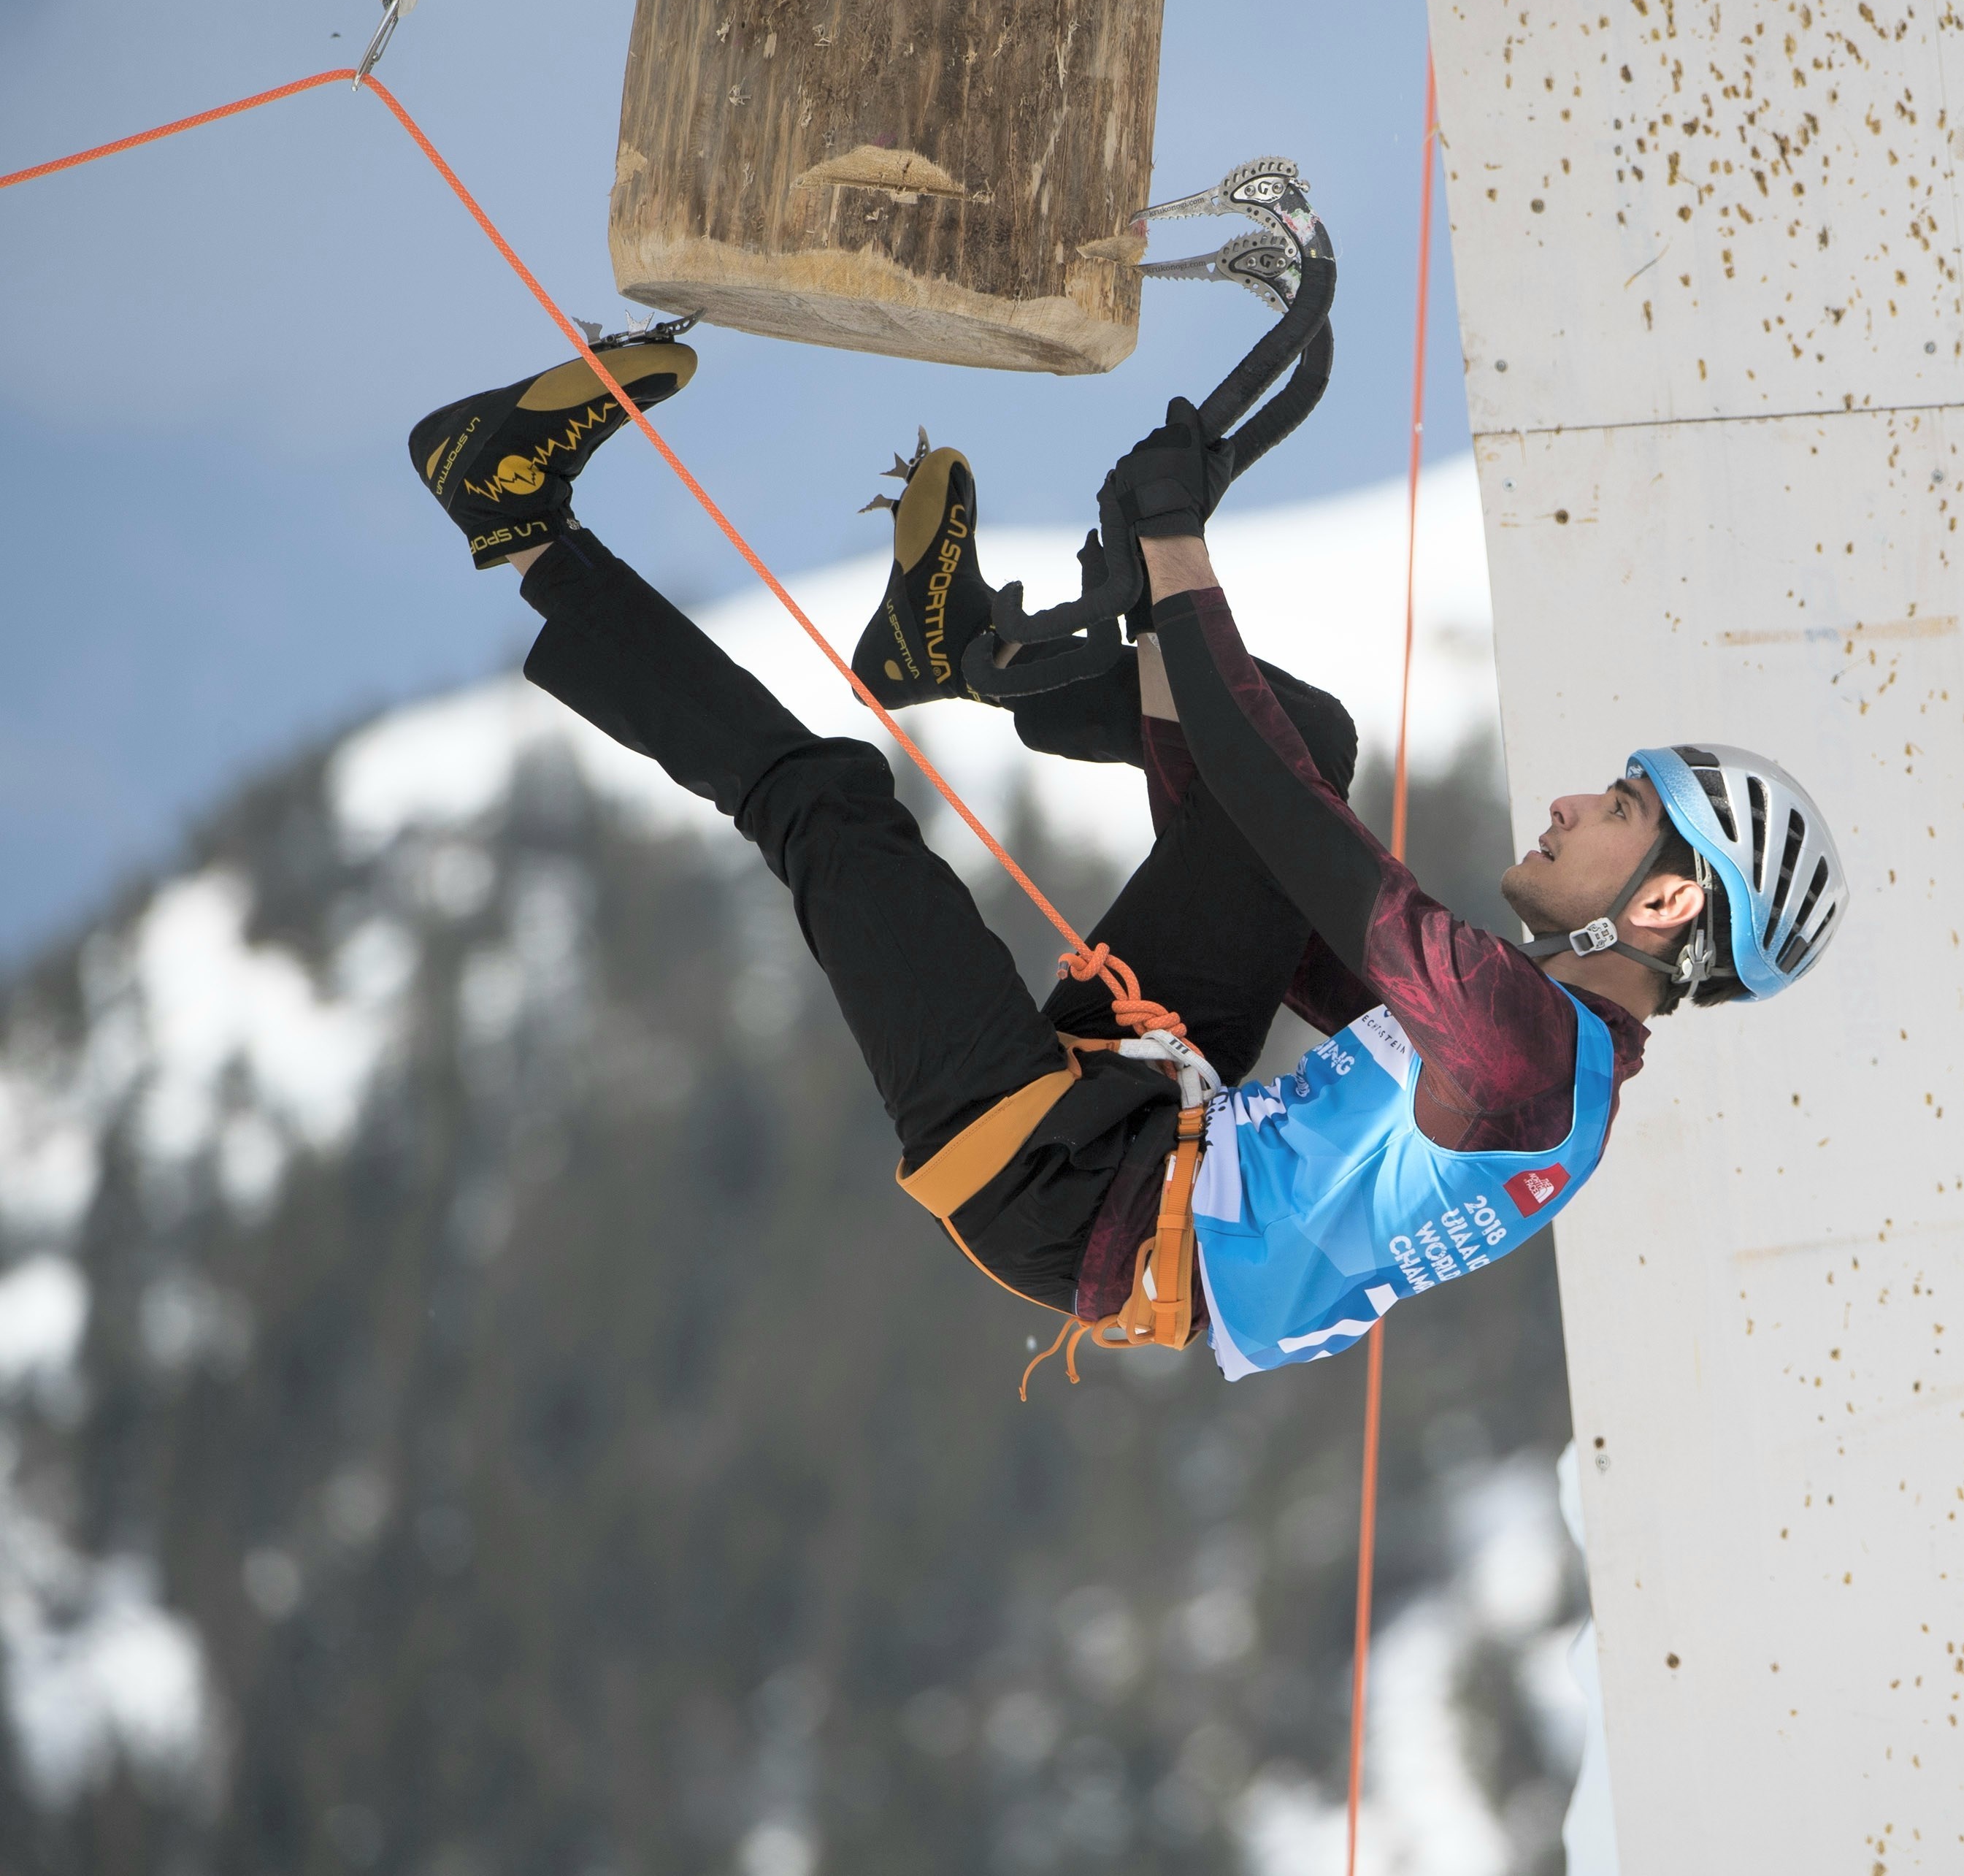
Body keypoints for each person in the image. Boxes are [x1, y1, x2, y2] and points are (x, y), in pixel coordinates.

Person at [405, 340, 1847, 1380]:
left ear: (1663, 900)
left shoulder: (1522, 1052)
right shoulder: (1550, 1077)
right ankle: (960, 656)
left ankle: (522, 527)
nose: (1575, 802)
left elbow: (1297, 834)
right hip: (1150, 1114)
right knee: (1315, 734)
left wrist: (1174, 548)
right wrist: (1161, 624)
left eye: (1622, 803)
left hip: (1062, 1189)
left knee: (825, 801)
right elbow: (1266, 865)